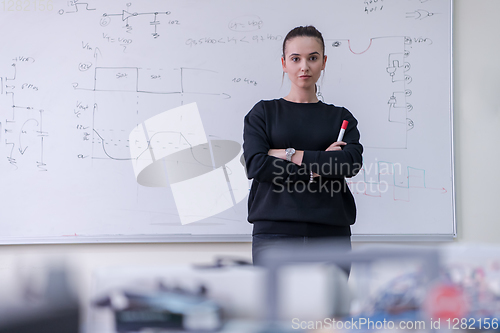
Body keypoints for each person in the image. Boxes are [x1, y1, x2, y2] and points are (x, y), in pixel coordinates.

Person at [242, 26, 363, 270]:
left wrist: (289, 154)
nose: (304, 66)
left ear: (324, 62)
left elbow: (350, 163)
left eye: (313, 58)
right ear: (284, 63)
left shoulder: (340, 117)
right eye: (296, 59)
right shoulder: (263, 113)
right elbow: (256, 164)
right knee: (277, 309)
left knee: (331, 309)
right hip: (274, 235)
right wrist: (319, 167)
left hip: (331, 234)